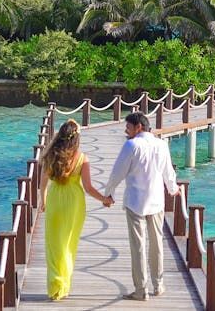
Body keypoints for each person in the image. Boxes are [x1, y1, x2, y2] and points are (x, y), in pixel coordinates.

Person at [103, 112, 179, 301]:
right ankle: (158, 284)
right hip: (156, 201)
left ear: (139, 127)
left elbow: (117, 171)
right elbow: (168, 172)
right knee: (156, 244)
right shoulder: (161, 144)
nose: (126, 131)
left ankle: (140, 289)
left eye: (128, 127)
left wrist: (108, 193)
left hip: (135, 202)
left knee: (138, 246)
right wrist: (173, 188)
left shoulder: (132, 145)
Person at [40, 119, 109, 301]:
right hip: (74, 203)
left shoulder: (51, 155)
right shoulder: (82, 158)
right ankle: (64, 285)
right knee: (69, 244)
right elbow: (88, 187)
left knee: (54, 245)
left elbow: (43, 182)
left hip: (55, 199)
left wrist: (43, 200)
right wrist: (104, 199)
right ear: (76, 138)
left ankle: (55, 284)